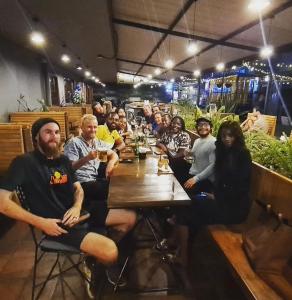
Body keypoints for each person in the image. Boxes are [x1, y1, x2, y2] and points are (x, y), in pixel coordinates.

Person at [0, 118, 118, 297]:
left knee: (130, 218)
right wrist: (40, 222)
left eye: (56, 132)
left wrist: (77, 207)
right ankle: (96, 271)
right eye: (47, 132)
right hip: (57, 224)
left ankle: (93, 262)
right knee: (111, 252)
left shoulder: (62, 160)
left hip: (80, 212)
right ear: (36, 138)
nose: (53, 136)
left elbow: (78, 188)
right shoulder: (24, 163)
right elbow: (2, 202)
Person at [171, 121, 252, 291]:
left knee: (188, 209)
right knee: (187, 207)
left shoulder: (242, 154)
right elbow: (220, 179)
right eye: (224, 136)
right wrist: (214, 194)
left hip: (235, 208)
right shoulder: (223, 152)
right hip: (220, 199)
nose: (226, 139)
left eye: (230, 135)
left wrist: (216, 196)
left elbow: (242, 186)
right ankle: (183, 256)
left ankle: (182, 258)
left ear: (236, 136)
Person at [64, 114, 136, 242]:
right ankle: (114, 223)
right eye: (89, 127)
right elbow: (69, 169)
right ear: (82, 128)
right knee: (119, 189)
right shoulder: (74, 143)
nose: (93, 130)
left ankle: (118, 221)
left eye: (95, 127)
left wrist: (110, 164)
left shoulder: (96, 141)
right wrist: (87, 158)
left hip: (94, 179)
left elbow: (113, 153)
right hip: (82, 184)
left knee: (120, 185)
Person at [183, 117, 216, 194]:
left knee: (184, 196)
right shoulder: (197, 141)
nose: (203, 127)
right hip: (193, 174)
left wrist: (195, 179)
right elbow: (194, 160)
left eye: (206, 125)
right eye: (200, 125)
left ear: (211, 127)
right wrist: (187, 154)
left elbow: (213, 165)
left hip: (204, 180)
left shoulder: (213, 142)